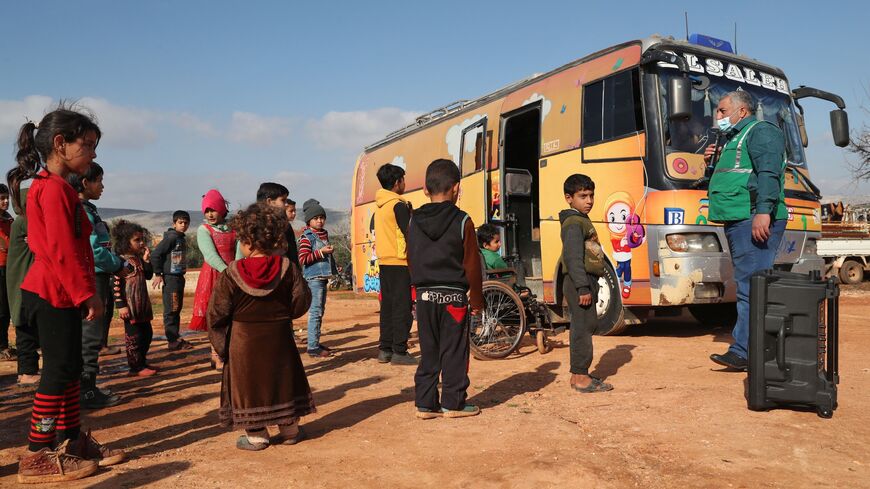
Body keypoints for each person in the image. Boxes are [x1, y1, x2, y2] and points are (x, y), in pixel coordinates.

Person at [12, 108, 125, 484]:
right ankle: (35, 455)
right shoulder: (52, 189)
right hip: (52, 293)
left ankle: (72, 442)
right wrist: (86, 294)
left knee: (71, 368)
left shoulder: (58, 188)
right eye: (88, 145)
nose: (93, 154)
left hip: (60, 292)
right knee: (57, 372)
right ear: (61, 144)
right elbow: (61, 251)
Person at [207, 203, 315, 451]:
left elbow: (216, 315)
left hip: (243, 346)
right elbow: (300, 303)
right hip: (280, 340)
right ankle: (290, 430)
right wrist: (283, 315)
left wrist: (223, 349)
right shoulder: (288, 268)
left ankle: (257, 436)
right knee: (283, 381)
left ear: (246, 242)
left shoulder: (231, 273)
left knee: (248, 389)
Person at [705, 91, 788, 372]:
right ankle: (747, 349)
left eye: (722, 110)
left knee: (751, 288)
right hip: (740, 217)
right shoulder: (733, 140)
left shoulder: (761, 131)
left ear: (742, 111)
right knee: (748, 286)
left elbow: (769, 173)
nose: (717, 116)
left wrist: (763, 211)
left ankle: (745, 351)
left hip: (752, 216)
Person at [407, 159, 484, 419]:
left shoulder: (412, 220)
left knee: (429, 349)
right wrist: (477, 302)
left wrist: (414, 292)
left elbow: (411, 258)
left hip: (425, 295)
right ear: (456, 188)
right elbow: (472, 264)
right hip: (454, 296)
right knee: (454, 351)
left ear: (426, 190)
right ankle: (454, 403)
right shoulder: (463, 220)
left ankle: (425, 404)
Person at [66, 163, 125, 409]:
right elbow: (94, 250)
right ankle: (86, 391)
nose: (102, 185)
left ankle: (85, 387)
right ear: (84, 183)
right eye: (99, 180)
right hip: (93, 277)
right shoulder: (82, 211)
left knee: (91, 333)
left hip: (96, 276)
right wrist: (118, 265)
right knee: (90, 334)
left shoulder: (89, 209)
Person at [560, 174, 612, 393]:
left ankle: (578, 376)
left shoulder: (580, 219)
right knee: (583, 328)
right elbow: (573, 258)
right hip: (578, 282)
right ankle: (581, 378)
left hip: (583, 280)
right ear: (569, 198)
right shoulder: (574, 222)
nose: (589, 200)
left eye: (591, 195)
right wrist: (582, 287)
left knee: (584, 325)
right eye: (582, 196)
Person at [190, 189, 239, 370]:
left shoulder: (235, 229)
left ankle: (229, 352)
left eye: (213, 210)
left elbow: (240, 253)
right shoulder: (204, 230)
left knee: (231, 315)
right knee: (216, 317)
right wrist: (228, 272)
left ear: (221, 209)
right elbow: (210, 255)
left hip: (232, 275)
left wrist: (237, 271)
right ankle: (215, 355)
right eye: (206, 211)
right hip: (214, 276)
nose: (210, 214)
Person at [374, 163, 416, 365]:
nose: (404, 184)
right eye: (403, 179)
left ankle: (385, 349)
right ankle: (400, 351)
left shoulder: (380, 206)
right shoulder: (398, 205)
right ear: (397, 182)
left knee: (388, 307)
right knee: (402, 307)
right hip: (400, 262)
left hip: (384, 262)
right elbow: (410, 234)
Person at [112, 220, 157, 377]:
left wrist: (146, 260)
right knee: (134, 338)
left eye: (141, 239)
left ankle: (142, 361)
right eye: (137, 240)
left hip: (141, 306)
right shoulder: (121, 261)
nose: (141, 242)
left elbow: (149, 275)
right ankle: (135, 367)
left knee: (147, 335)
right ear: (126, 242)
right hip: (130, 308)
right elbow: (116, 285)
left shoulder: (138, 259)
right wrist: (120, 305)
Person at [6, 187, 39, 385]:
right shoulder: (24, 221)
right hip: (23, 281)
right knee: (25, 325)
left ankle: (27, 370)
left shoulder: (22, 221)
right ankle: (27, 372)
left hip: (23, 280)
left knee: (28, 325)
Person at [298, 198, 337, 358]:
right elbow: (303, 259)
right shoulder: (307, 237)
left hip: (321, 278)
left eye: (322, 217)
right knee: (315, 312)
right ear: (309, 221)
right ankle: (313, 347)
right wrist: (321, 252)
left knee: (319, 311)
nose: (320, 221)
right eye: (316, 218)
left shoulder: (322, 234)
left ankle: (315, 342)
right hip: (314, 279)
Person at [151, 210, 193, 351]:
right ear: (174, 223)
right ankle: (172, 340)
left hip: (178, 277)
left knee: (177, 308)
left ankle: (175, 336)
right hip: (171, 279)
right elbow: (156, 254)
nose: (183, 225)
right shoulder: (171, 238)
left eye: (186, 223)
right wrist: (158, 273)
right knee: (171, 309)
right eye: (180, 222)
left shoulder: (181, 238)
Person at [255, 182, 299, 265]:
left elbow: (292, 253)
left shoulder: (285, 226)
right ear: (269, 201)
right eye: (283, 200)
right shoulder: (252, 225)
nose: (286, 204)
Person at [0, 183, 15, 361]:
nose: (5, 202)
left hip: (9, 267)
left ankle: (4, 344)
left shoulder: (9, 220)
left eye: (6, 198)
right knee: (2, 309)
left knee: (7, 308)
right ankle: (2, 346)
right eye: (2, 199)